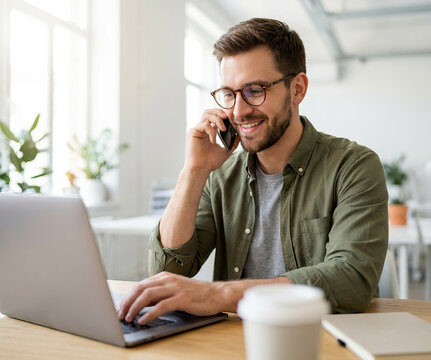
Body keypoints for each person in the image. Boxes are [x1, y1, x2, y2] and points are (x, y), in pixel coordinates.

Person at [117, 18, 388, 325]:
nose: (238, 111)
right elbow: (167, 271)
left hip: (319, 339)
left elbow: (352, 279)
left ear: (297, 89)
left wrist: (216, 295)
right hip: (232, 340)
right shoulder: (219, 174)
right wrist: (193, 170)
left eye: (254, 90)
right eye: (229, 93)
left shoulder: (353, 166)